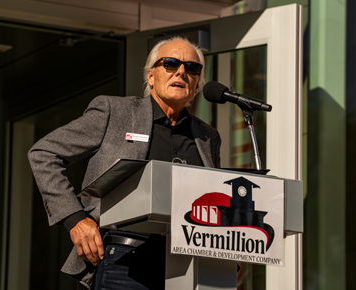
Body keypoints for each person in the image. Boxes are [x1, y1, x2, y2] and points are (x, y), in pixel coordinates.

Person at [28, 36, 221, 290]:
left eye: (192, 68)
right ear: (151, 76)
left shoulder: (207, 136)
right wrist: (74, 219)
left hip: (190, 262)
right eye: (171, 64)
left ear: (197, 85)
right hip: (125, 259)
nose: (182, 72)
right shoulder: (114, 112)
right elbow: (44, 153)